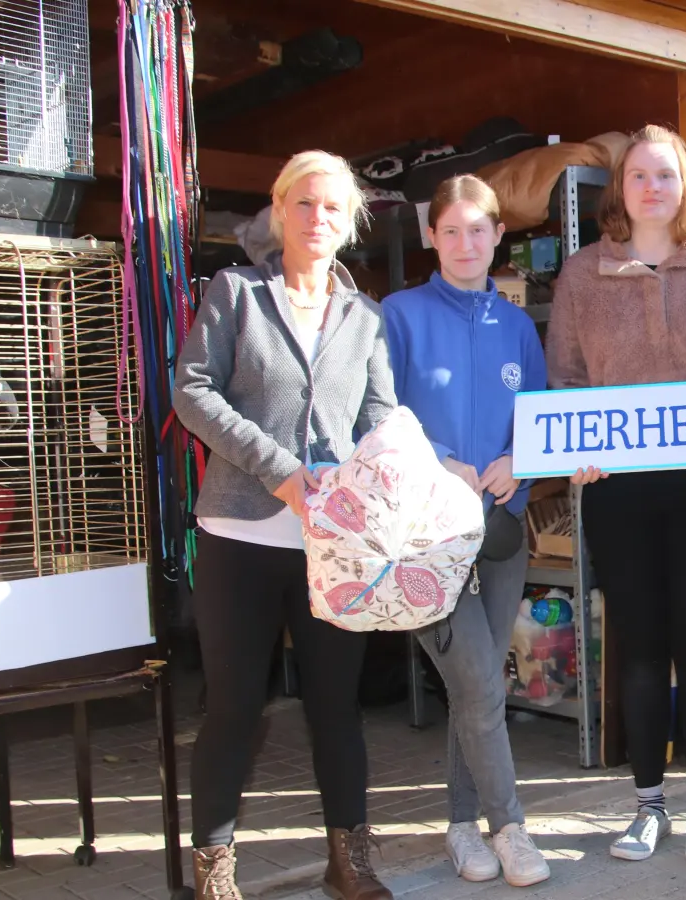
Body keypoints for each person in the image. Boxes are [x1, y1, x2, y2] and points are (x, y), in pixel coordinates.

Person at [173, 150, 397, 900]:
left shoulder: (365, 316)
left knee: (337, 707)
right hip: (239, 536)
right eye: (304, 203)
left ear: (349, 222)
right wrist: (279, 470)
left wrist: (398, 480)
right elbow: (192, 393)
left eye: (333, 207)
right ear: (278, 209)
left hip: (330, 546)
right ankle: (213, 868)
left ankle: (350, 861)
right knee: (236, 705)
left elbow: (380, 417)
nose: (317, 218)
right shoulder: (234, 293)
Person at [546, 124, 686, 867]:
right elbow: (566, 380)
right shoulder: (582, 274)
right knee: (638, 647)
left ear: (685, 184)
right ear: (621, 188)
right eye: (638, 175)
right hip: (618, 491)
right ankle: (645, 808)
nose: (652, 188)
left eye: (665, 174)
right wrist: (574, 452)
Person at [381, 174, 551, 888]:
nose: (464, 243)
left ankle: (460, 826)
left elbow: (542, 418)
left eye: (477, 230)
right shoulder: (397, 314)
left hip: (502, 531)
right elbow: (376, 418)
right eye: (449, 230)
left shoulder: (514, 322)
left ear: (497, 237)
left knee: (473, 686)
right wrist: (438, 463)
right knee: (480, 679)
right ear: (431, 238)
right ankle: (509, 826)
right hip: (428, 536)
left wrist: (523, 464)